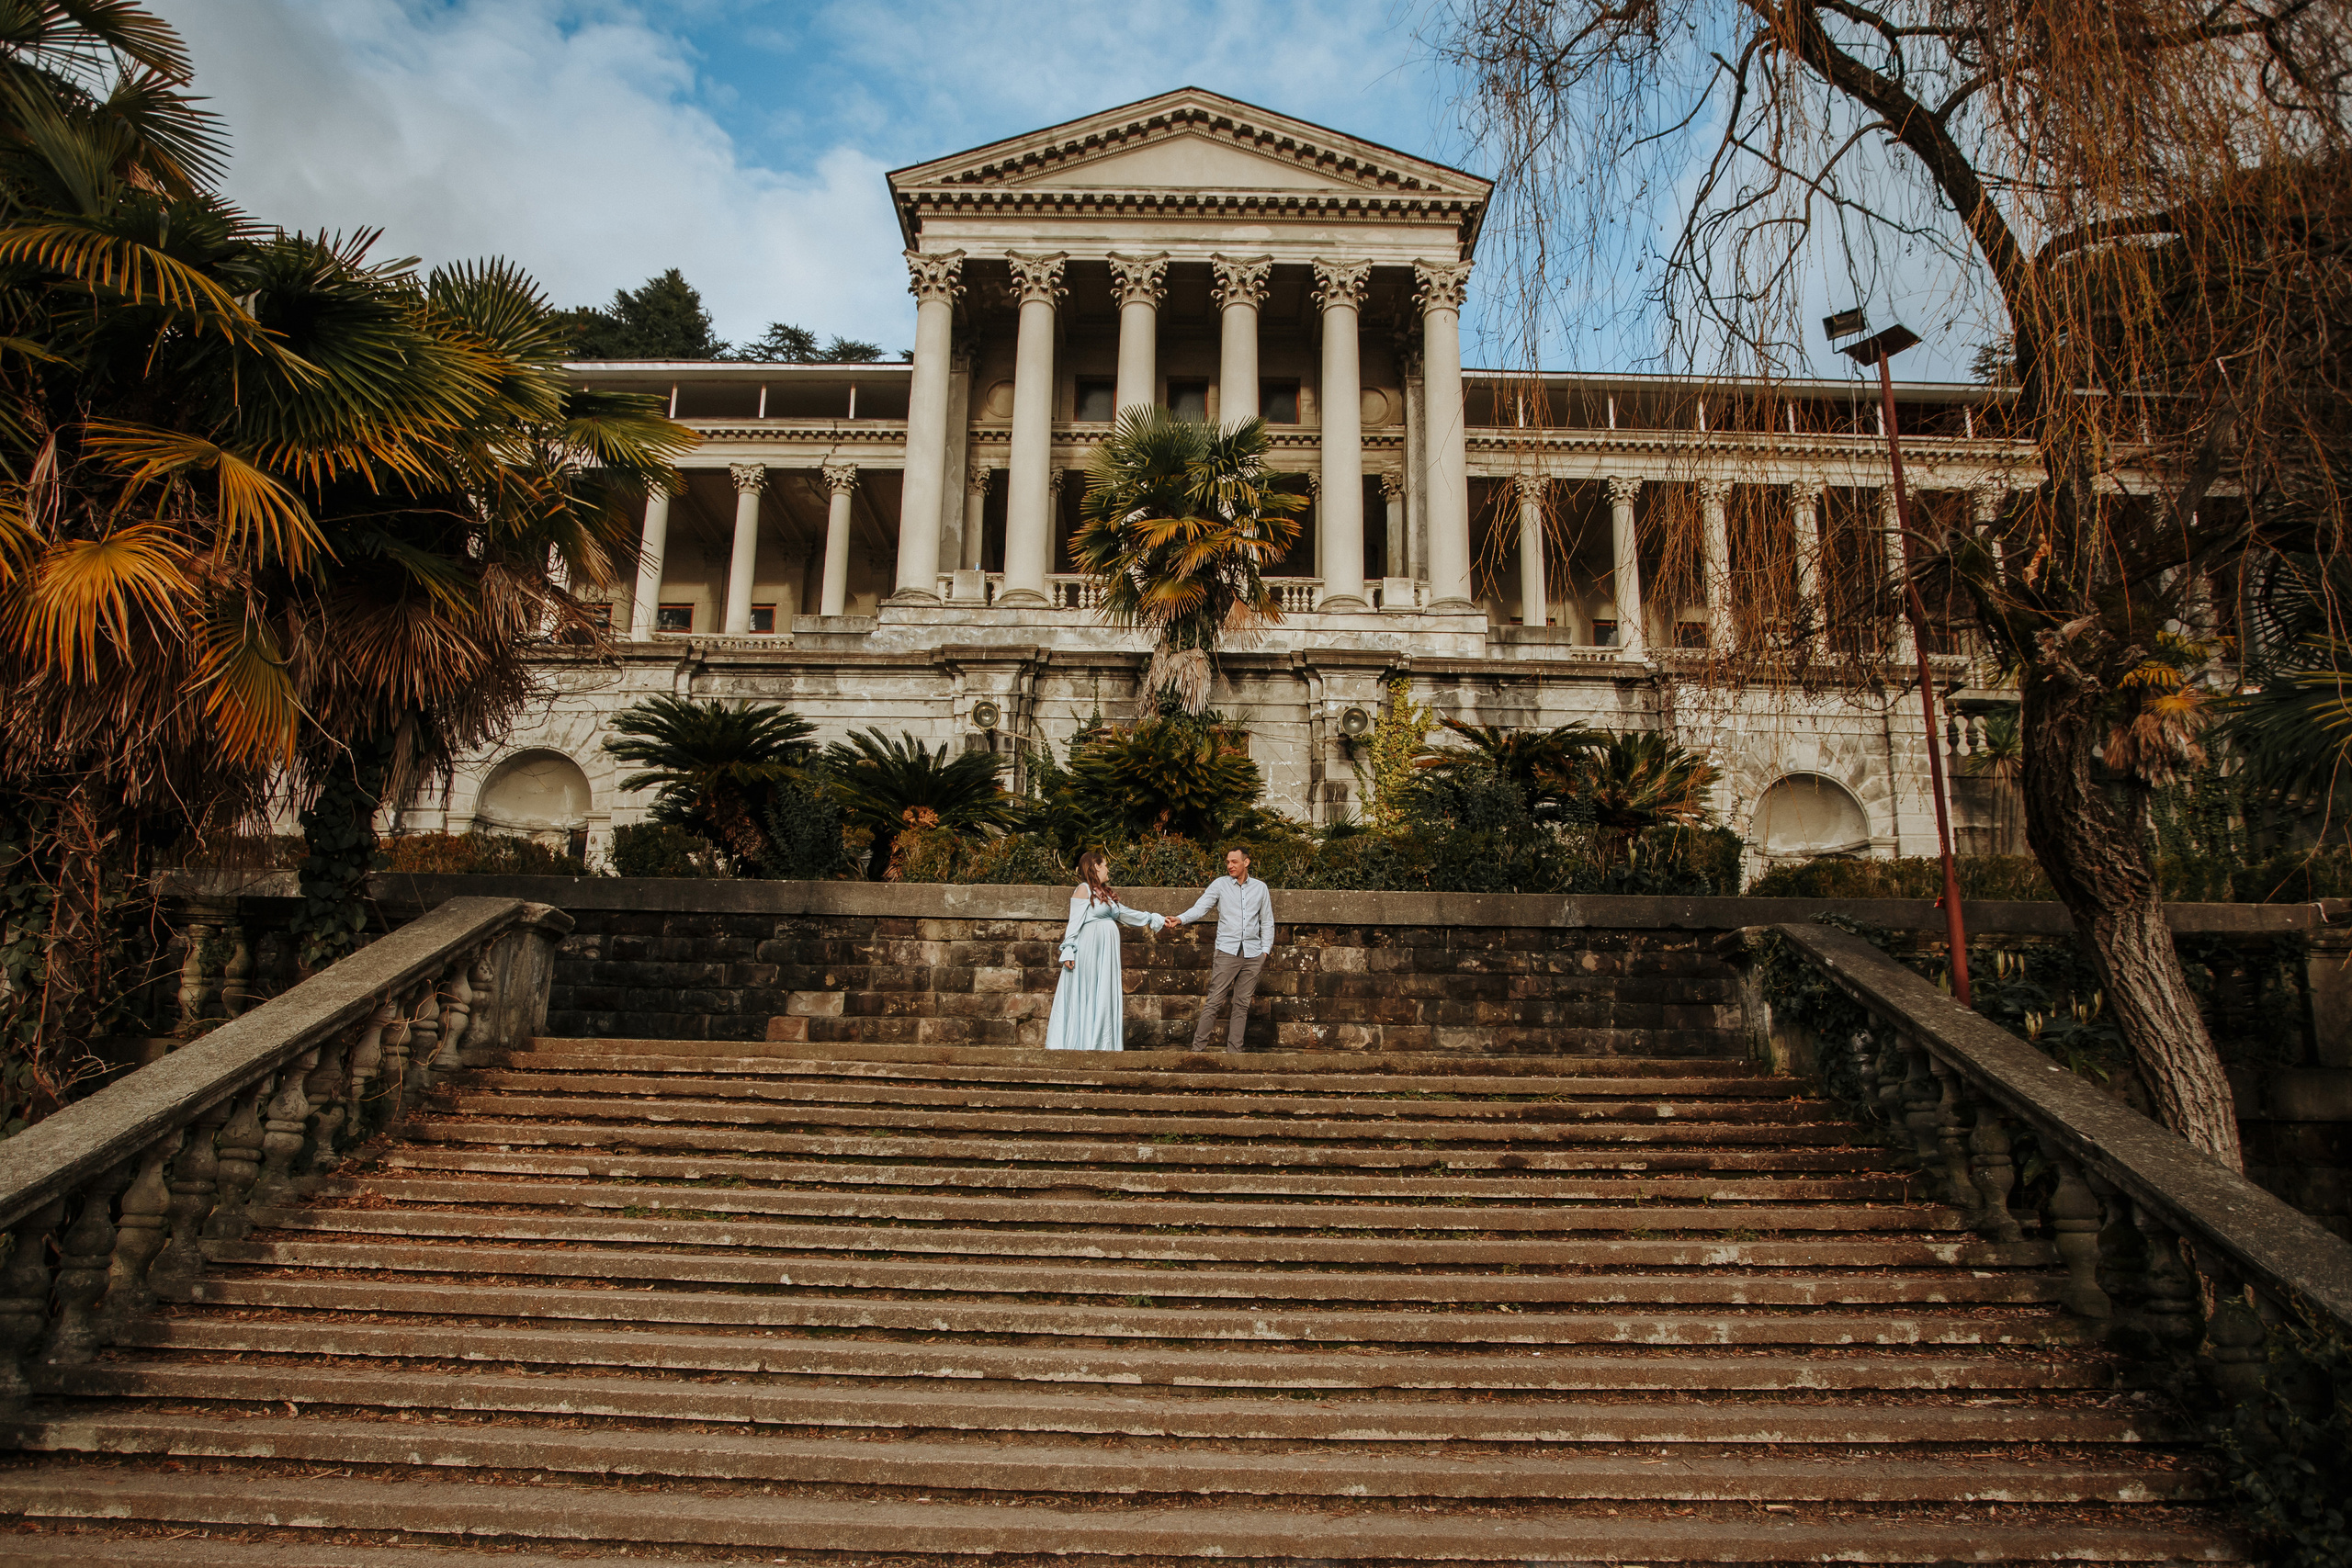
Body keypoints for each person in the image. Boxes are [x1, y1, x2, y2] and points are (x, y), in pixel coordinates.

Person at [1044, 849, 1165, 1052]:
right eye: (1105, 865)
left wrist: (1153, 918)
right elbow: (1074, 922)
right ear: (1096, 866)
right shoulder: (1083, 889)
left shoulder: (1105, 893)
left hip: (1106, 952)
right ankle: (1084, 1043)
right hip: (1090, 949)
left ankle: (1101, 1044)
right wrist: (1068, 949)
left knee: (1103, 993)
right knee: (1090, 991)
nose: (1108, 869)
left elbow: (1125, 913)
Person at [1170, 847, 1276, 1052]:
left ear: (1246, 862)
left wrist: (1265, 951)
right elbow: (1200, 908)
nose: (1230, 866)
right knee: (1214, 1002)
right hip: (1227, 952)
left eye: (1234, 862)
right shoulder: (1220, 885)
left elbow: (1267, 921)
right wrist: (1180, 919)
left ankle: (1234, 1054)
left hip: (1253, 955)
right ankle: (1197, 1052)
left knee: (1242, 1005)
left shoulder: (1260, 888)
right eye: (1228, 862)